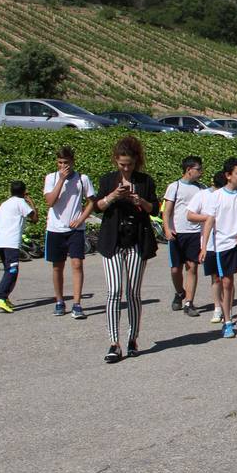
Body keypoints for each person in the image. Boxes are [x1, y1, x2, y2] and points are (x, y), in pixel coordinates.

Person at [92, 136, 159, 364]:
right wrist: (113, 196)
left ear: (136, 161)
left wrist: (139, 200)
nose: (126, 168)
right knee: (113, 292)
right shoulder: (107, 180)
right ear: (116, 161)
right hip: (112, 241)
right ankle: (114, 342)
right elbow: (98, 206)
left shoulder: (145, 181)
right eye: (122, 164)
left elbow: (154, 209)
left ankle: (132, 338)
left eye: (130, 164)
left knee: (133, 293)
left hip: (137, 240)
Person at [197, 158, 237, 338]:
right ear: (228, 175)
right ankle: (227, 321)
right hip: (222, 245)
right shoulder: (216, 196)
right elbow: (209, 221)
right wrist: (204, 247)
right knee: (226, 283)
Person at [42, 146, 94, 319]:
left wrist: (81, 218)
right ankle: (59, 301)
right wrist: (61, 180)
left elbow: (92, 201)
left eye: (66, 162)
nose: (63, 166)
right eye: (60, 162)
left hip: (75, 229)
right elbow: (50, 201)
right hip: (55, 228)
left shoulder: (82, 178)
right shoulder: (51, 178)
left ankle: (77, 304)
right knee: (57, 266)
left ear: (73, 162)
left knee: (77, 264)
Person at [0, 181, 34, 313]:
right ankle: (0, 297)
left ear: (11, 191)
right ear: (24, 192)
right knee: (12, 270)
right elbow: (35, 218)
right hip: (11, 243)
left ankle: (5, 297)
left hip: (0, 242)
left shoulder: (5, 203)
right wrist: (31, 202)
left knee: (8, 270)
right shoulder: (21, 203)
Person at [162, 155, 205, 318]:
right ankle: (180, 292)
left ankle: (189, 302)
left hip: (194, 233)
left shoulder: (201, 188)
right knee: (175, 269)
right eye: (198, 169)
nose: (201, 172)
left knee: (192, 267)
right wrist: (167, 229)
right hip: (177, 233)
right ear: (189, 170)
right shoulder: (174, 187)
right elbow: (167, 211)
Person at [187, 171, 228, 324]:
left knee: (227, 278)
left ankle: (227, 309)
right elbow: (190, 215)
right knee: (215, 278)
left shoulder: (231, 195)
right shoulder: (202, 195)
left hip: (227, 243)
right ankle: (217, 308)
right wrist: (210, 217)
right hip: (210, 244)